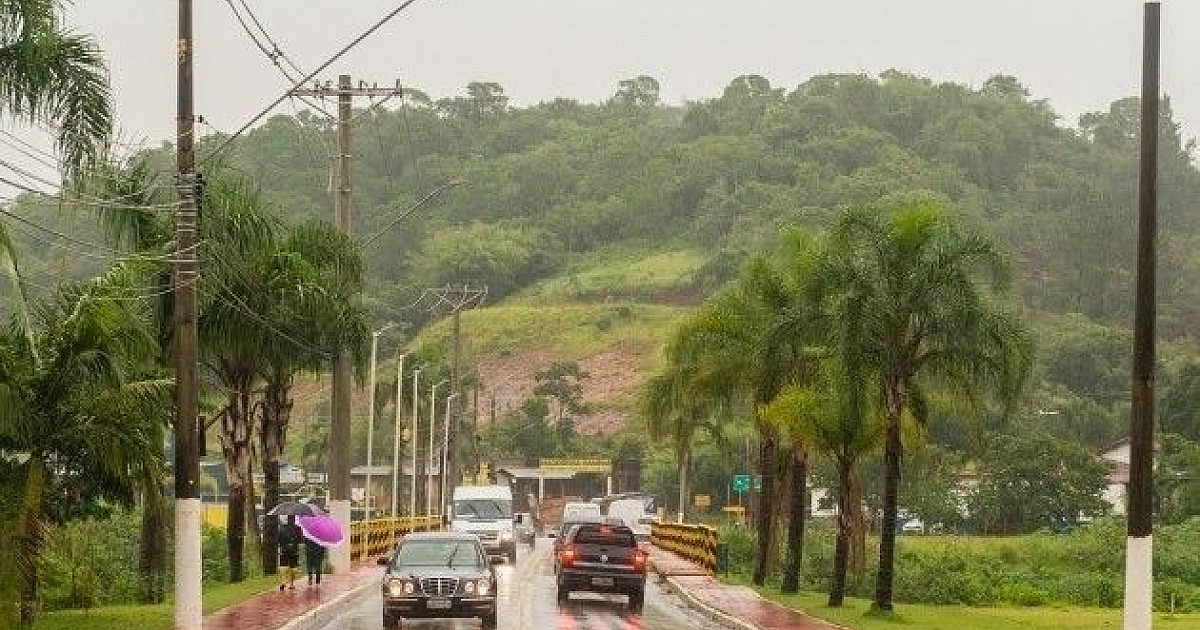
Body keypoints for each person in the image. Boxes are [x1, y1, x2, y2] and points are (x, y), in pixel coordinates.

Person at [278, 515, 300, 590]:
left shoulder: (280, 529)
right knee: (293, 568)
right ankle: (291, 584)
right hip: (294, 551)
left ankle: (283, 581)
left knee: (283, 567)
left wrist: (283, 545)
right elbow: (300, 539)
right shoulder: (297, 528)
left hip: (284, 550)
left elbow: (278, 540)